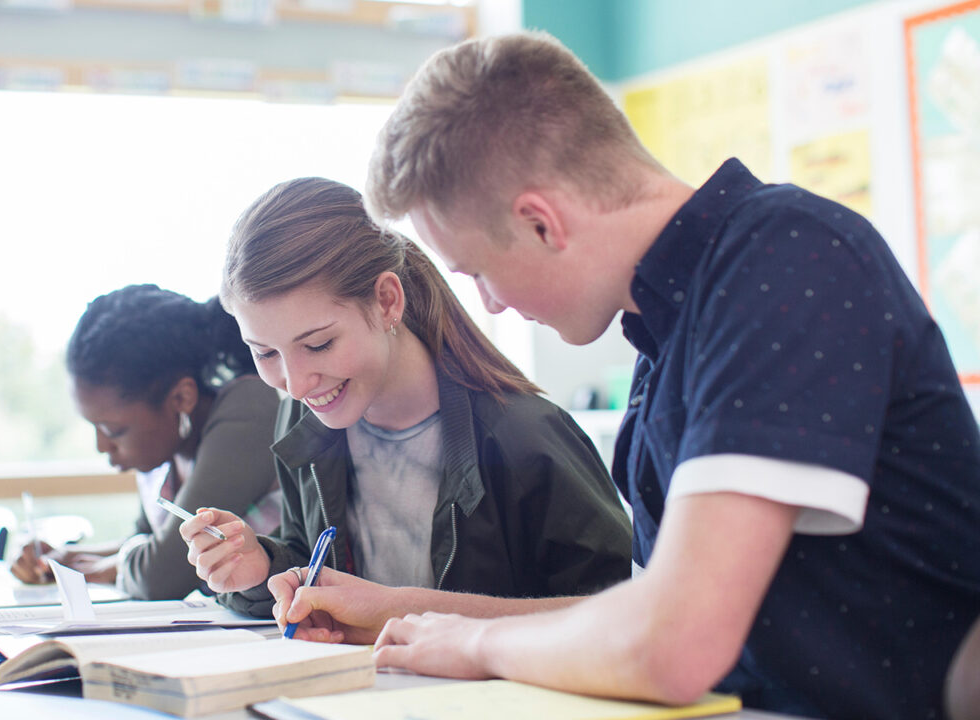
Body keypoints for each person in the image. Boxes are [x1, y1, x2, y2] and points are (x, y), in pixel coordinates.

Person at [354, 30, 980, 720]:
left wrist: (479, 646)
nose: (491, 304)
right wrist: (445, 628)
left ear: (541, 224)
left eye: (477, 273)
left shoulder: (785, 259)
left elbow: (670, 646)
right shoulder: (671, 325)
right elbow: (641, 612)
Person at [178, 176, 633, 644]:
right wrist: (262, 571)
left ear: (387, 301)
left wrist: (407, 613)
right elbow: (313, 563)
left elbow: (626, 617)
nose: (295, 384)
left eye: (318, 344)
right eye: (265, 353)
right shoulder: (305, 419)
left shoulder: (526, 436)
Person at [10, 284, 282, 600]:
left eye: (113, 430)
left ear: (181, 397)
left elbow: (163, 575)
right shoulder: (167, 446)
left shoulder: (247, 412)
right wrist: (63, 557)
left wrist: (77, 571)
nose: (101, 446)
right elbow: (147, 540)